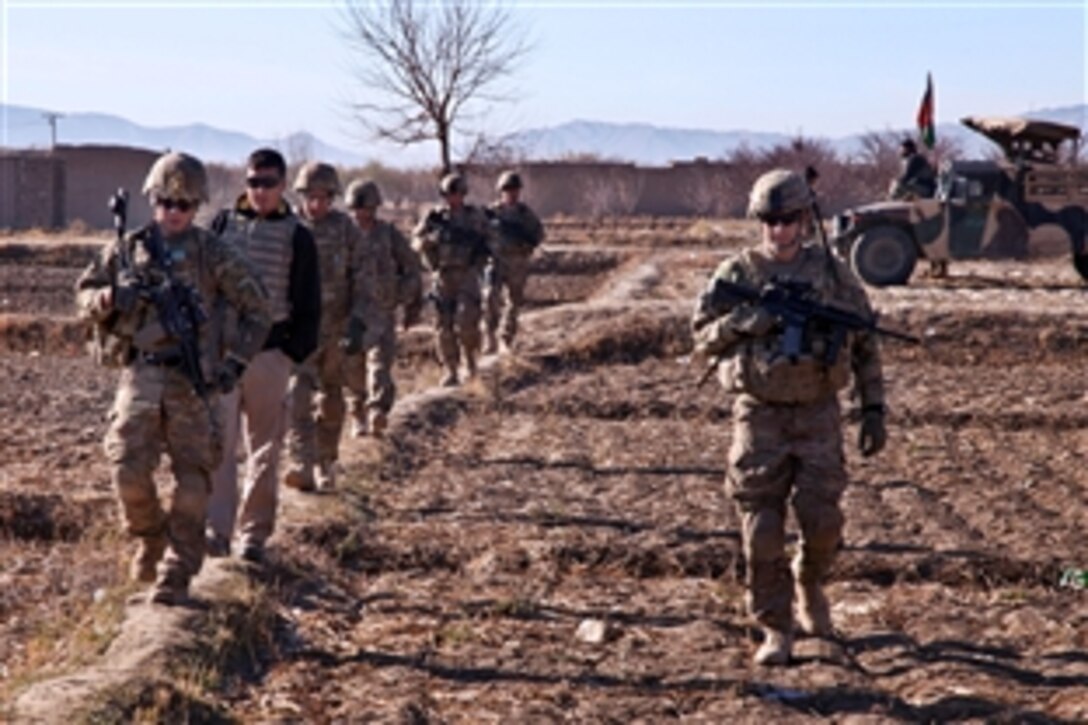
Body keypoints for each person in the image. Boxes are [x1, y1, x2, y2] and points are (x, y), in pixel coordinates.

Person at [691, 169, 887, 666]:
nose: (778, 231)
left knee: (824, 522)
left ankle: (810, 582)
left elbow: (865, 341)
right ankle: (774, 627)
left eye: (788, 220)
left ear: (804, 220)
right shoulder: (738, 274)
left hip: (818, 413)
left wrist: (873, 409)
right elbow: (701, 338)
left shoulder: (834, 274)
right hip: (759, 415)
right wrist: (749, 321)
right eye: (770, 221)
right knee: (760, 532)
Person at [75, 151, 270, 604]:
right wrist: (106, 299)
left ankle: (178, 572)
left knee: (194, 482)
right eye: (165, 202)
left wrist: (234, 365)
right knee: (126, 471)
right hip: (141, 376)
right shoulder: (128, 248)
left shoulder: (212, 253)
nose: (173, 212)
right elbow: (82, 296)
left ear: (197, 206)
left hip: (192, 379)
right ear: (152, 200)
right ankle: (148, 539)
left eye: (184, 205)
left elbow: (257, 308)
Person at [206, 148, 321, 563]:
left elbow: (308, 302)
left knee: (264, 450)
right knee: (219, 447)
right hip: (223, 355)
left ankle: (253, 535)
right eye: (253, 182)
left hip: (269, 354)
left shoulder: (298, 235)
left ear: (283, 186)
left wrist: (288, 353)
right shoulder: (222, 224)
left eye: (268, 183)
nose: (260, 191)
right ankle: (216, 532)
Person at [283, 162, 374, 492]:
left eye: (323, 197)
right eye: (311, 197)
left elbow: (363, 276)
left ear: (333, 197)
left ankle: (326, 462)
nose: (317, 205)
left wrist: (358, 320)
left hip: (335, 330)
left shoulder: (345, 229)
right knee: (296, 396)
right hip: (299, 330)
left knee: (331, 399)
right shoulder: (288, 227)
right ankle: (301, 462)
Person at [344, 178, 423, 437]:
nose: (361, 214)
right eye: (356, 209)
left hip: (381, 312)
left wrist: (408, 298)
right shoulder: (342, 236)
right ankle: (358, 416)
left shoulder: (388, 235)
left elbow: (411, 266)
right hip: (350, 316)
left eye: (365, 209)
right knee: (353, 369)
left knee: (379, 364)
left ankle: (378, 410)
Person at [412, 172, 494, 387]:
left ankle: (471, 364)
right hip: (443, 275)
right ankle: (450, 369)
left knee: (468, 321)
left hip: (467, 274)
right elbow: (416, 241)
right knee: (443, 326)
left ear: (463, 194)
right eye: (449, 194)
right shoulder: (435, 217)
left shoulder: (475, 216)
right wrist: (431, 240)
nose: (453, 198)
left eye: (457, 193)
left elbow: (490, 240)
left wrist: (480, 259)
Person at [483, 171, 545, 354]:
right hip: (496, 261)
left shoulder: (525, 214)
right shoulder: (491, 212)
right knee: (489, 298)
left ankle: (506, 339)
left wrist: (526, 242)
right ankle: (489, 338)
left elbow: (538, 233)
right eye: (507, 189)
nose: (511, 193)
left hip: (517, 262)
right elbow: (480, 232)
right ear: (501, 191)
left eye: (515, 189)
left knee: (514, 302)